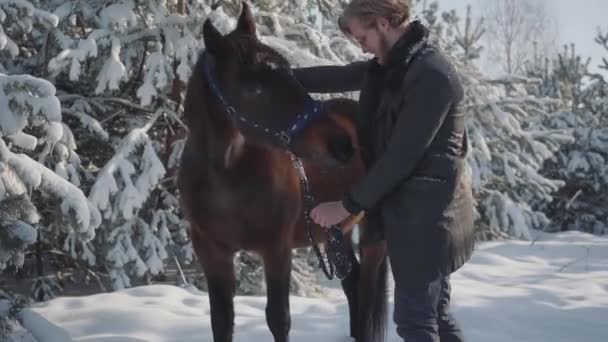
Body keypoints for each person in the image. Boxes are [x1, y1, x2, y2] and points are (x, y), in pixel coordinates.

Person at [292, 0, 476, 341]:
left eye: (363, 37)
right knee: (434, 315)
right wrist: (278, 75)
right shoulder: (392, 66)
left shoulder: (432, 76)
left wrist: (345, 206)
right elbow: (338, 75)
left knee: (415, 322)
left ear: (384, 23)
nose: (360, 46)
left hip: (429, 215)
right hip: (414, 211)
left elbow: (400, 158)